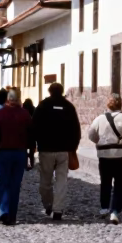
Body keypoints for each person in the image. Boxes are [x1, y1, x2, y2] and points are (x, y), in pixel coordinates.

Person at [33, 81, 81, 221]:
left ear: (50, 91)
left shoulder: (43, 105)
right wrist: (73, 147)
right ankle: (58, 209)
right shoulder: (68, 107)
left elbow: (34, 126)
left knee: (45, 182)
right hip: (64, 151)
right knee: (61, 181)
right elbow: (76, 129)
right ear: (61, 92)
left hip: (46, 150)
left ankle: (48, 205)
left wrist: (35, 145)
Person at [87, 94, 122, 224]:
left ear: (108, 105)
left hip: (104, 155)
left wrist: (100, 141)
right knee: (119, 184)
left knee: (105, 182)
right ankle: (115, 211)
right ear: (121, 104)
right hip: (120, 155)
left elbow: (91, 135)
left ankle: (104, 208)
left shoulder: (99, 119)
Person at [0, 89, 34, 224]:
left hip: (3, 153)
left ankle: (4, 211)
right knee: (15, 184)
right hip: (20, 154)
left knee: (1, 183)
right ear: (19, 100)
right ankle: (11, 215)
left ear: (8, 99)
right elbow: (31, 137)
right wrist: (31, 155)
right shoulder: (25, 115)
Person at [22, 98, 36, 170]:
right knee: (31, 150)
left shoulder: (22, 111)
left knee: (24, 149)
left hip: (24, 133)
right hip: (32, 133)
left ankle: (25, 164)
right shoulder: (34, 109)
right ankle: (32, 163)